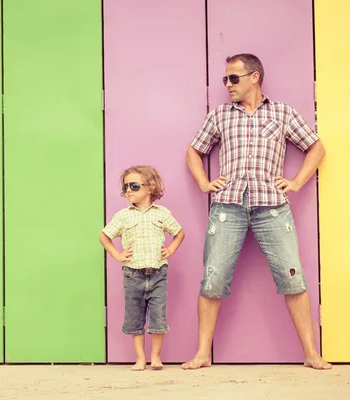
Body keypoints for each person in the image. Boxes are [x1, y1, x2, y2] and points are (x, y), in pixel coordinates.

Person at [181, 53, 331, 370]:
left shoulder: (282, 113)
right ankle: (202, 353)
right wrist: (204, 182)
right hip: (227, 207)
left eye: (233, 78)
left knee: (293, 277)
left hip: (273, 207)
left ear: (254, 77)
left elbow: (316, 147)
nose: (227, 84)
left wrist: (298, 182)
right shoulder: (221, 115)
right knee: (213, 278)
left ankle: (311, 353)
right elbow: (194, 150)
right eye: (225, 79)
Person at [100, 165, 185, 371]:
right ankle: (140, 358)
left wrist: (171, 250)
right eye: (125, 187)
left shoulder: (162, 213)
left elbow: (179, 233)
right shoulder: (123, 216)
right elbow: (104, 236)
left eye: (134, 185)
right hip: (132, 275)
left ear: (150, 187)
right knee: (134, 317)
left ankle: (155, 356)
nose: (128, 190)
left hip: (158, 274)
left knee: (158, 316)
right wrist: (118, 255)